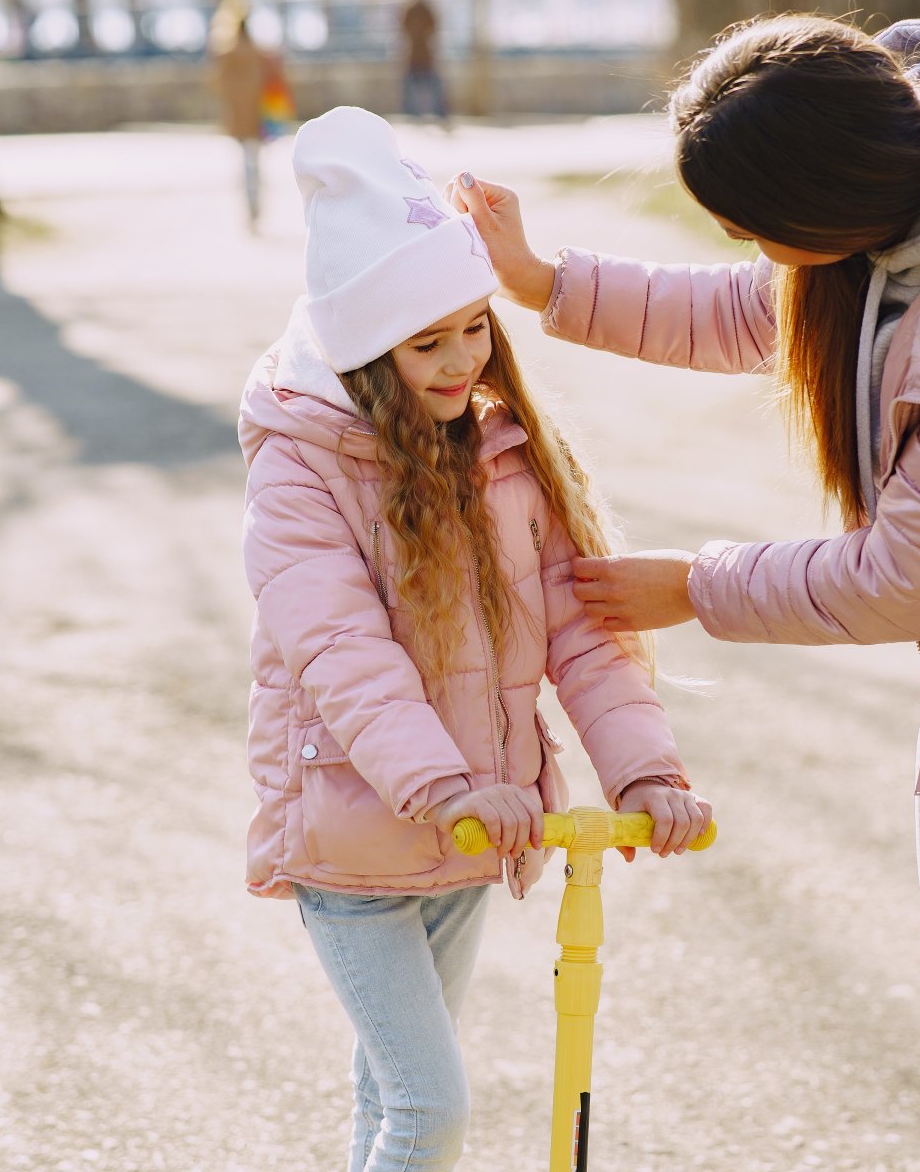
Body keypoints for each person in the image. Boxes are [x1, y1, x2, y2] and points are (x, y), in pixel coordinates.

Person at [450, 15, 920, 1172]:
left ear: (824, 208)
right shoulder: (902, 210)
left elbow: (902, 576)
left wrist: (694, 586)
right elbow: (759, 310)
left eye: (753, 228)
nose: (745, 251)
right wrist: (544, 281)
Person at [237, 106, 713, 1172]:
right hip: (358, 829)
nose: (463, 361)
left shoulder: (498, 454)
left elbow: (582, 635)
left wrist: (644, 772)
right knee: (428, 1107)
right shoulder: (302, 466)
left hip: (467, 835)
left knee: (390, 1096)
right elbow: (342, 653)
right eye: (427, 341)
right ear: (366, 347)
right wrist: (445, 787)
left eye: (474, 327)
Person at [206, 0, 292, 231]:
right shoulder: (261, 53)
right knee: (254, 163)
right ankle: (255, 206)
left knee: (247, 163)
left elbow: (217, 83)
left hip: (240, 118)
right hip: (259, 117)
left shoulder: (225, 53)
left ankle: (252, 207)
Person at [400, 0, 451, 125]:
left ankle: (437, 112)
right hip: (417, 55)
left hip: (423, 55)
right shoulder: (413, 11)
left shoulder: (419, 11)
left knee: (432, 84)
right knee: (415, 85)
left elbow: (433, 26)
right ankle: (415, 113)